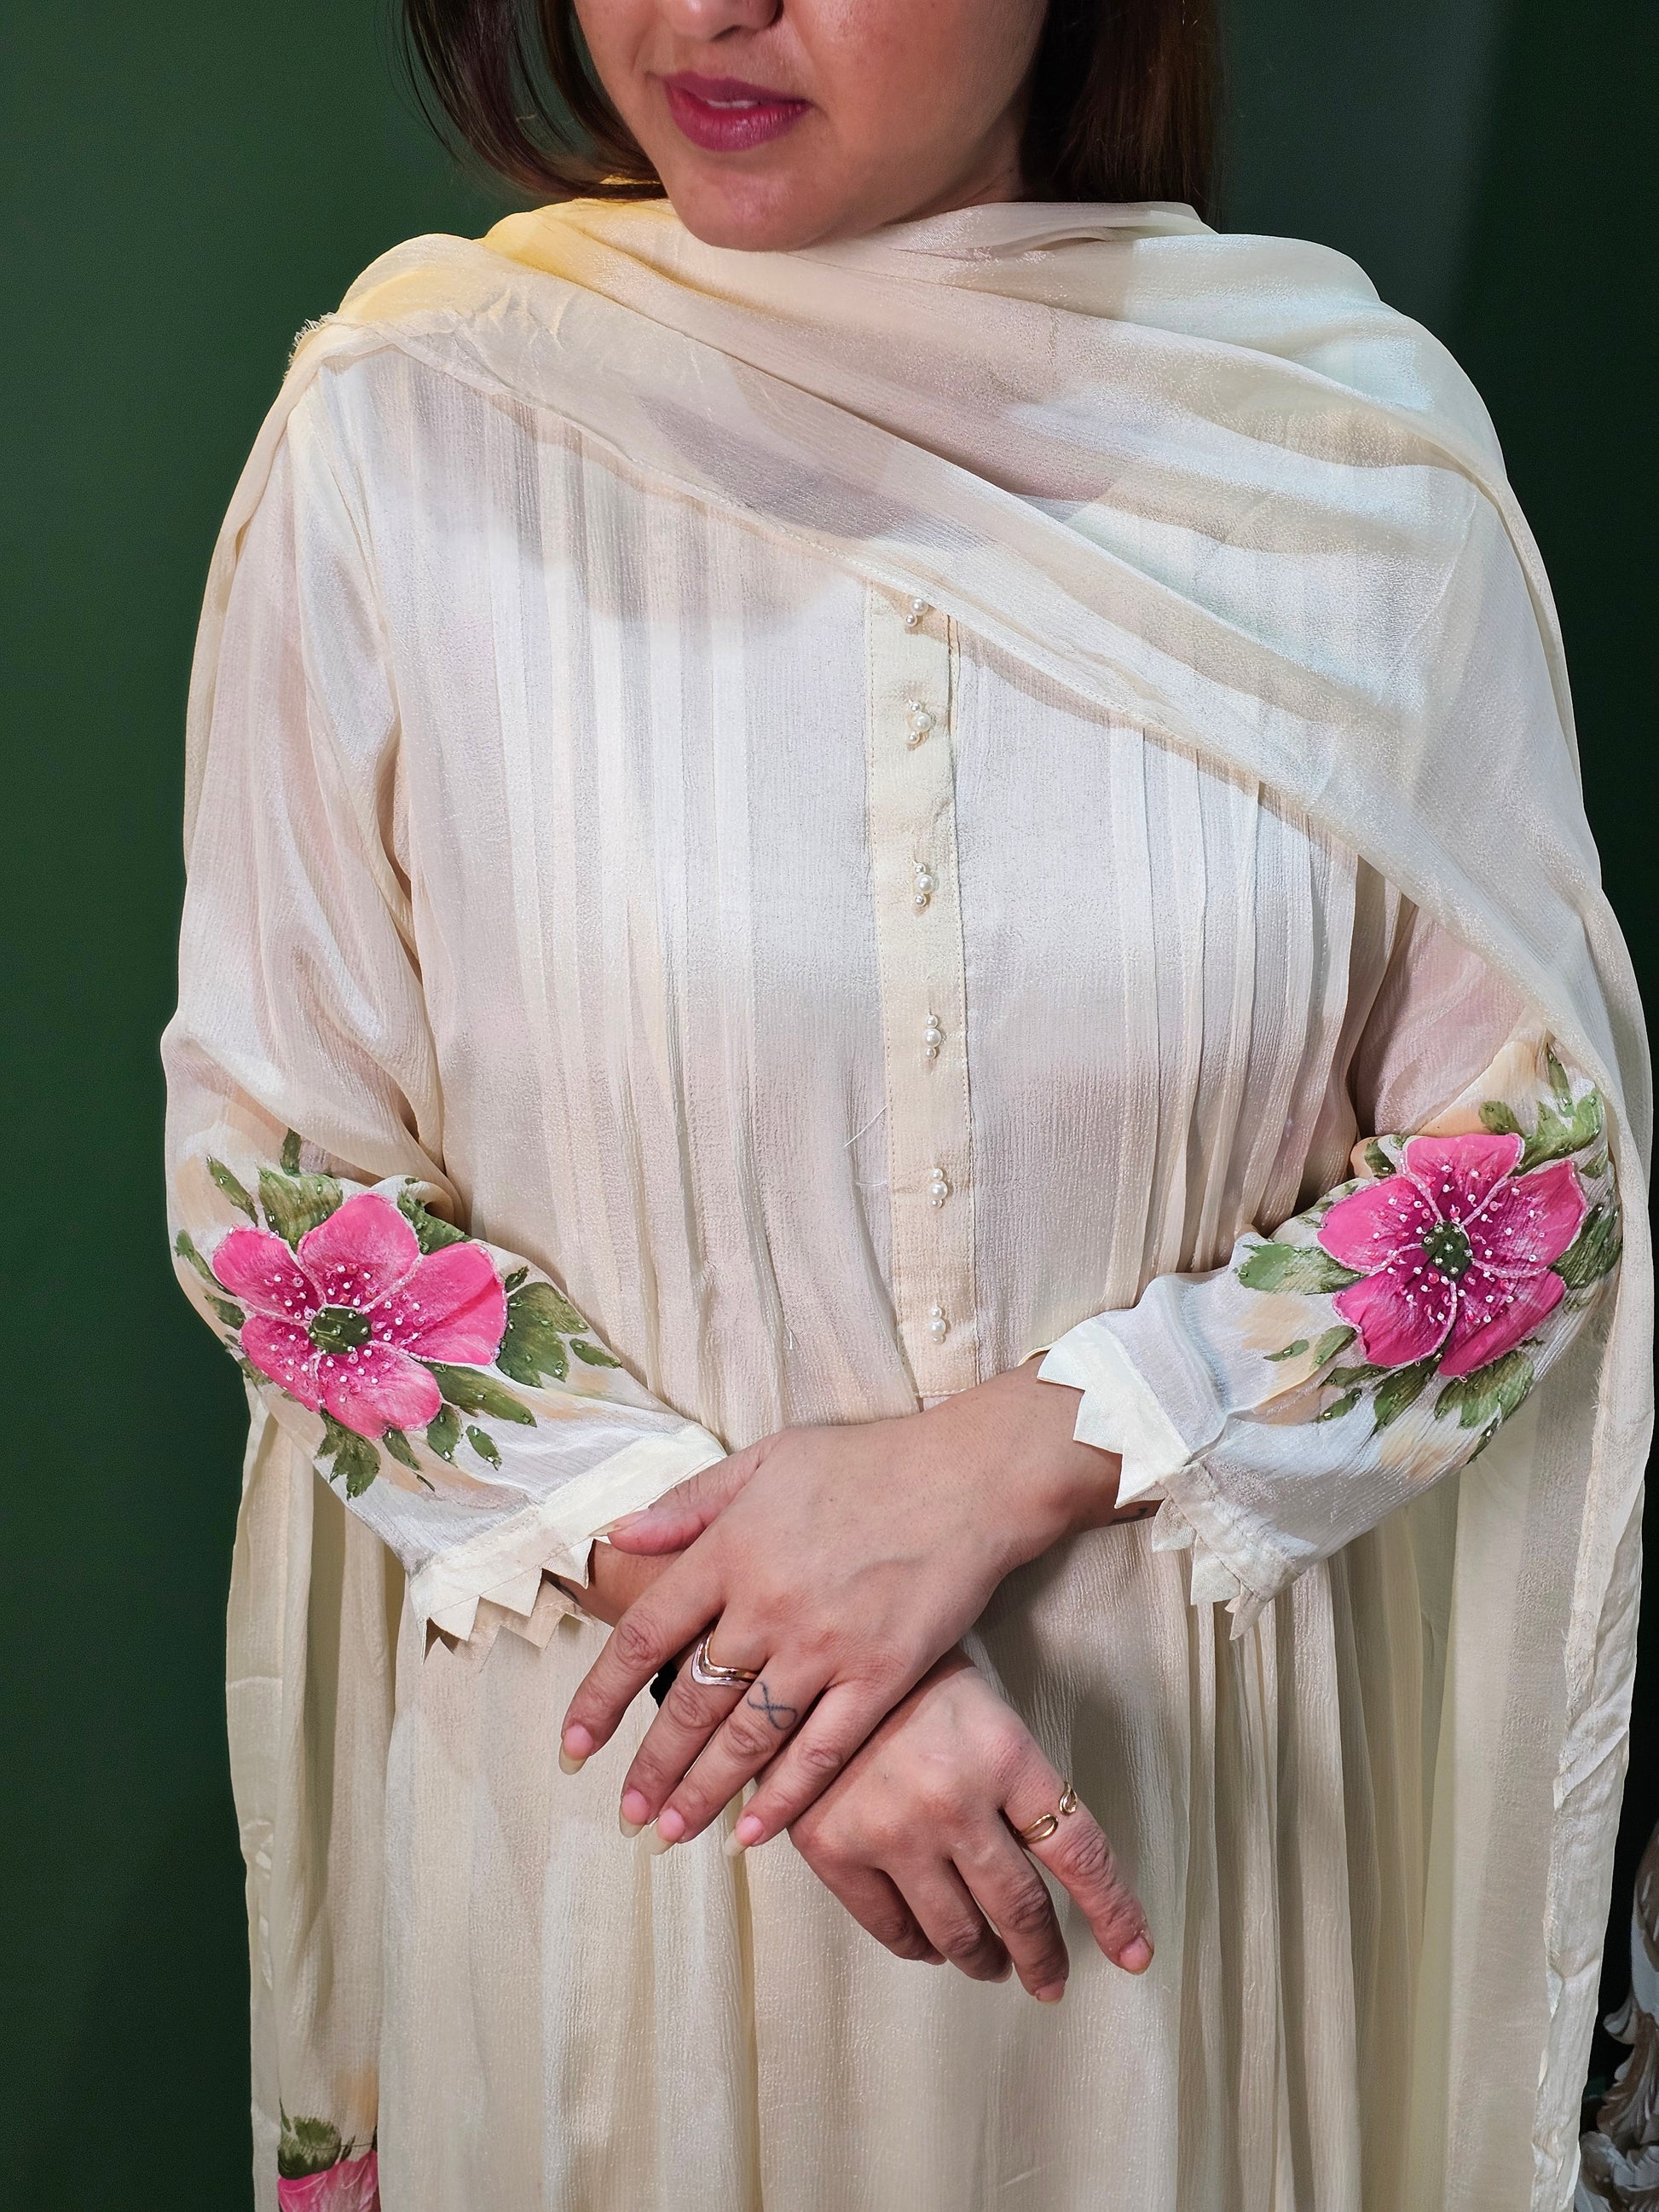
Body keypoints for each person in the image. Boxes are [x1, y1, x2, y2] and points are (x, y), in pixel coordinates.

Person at [163, 1, 1650, 2205]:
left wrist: (1002, 1466)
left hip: (1172, 1862)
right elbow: (277, 1172)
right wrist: (766, 1657)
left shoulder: (1343, 460)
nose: (705, 9)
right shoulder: (415, 427)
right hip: (625, 1836)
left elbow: (1528, 1172)